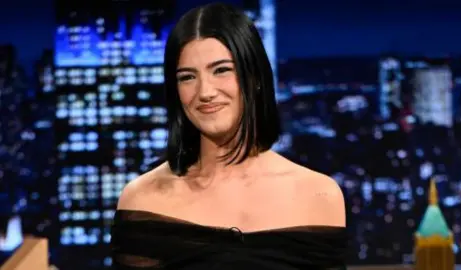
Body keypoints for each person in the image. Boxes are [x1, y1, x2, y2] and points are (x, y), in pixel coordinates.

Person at [111, 2, 347, 269]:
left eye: (221, 70)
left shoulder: (318, 196)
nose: (205, 92)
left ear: (255, 77)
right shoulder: (143, 200)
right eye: (187, 77)